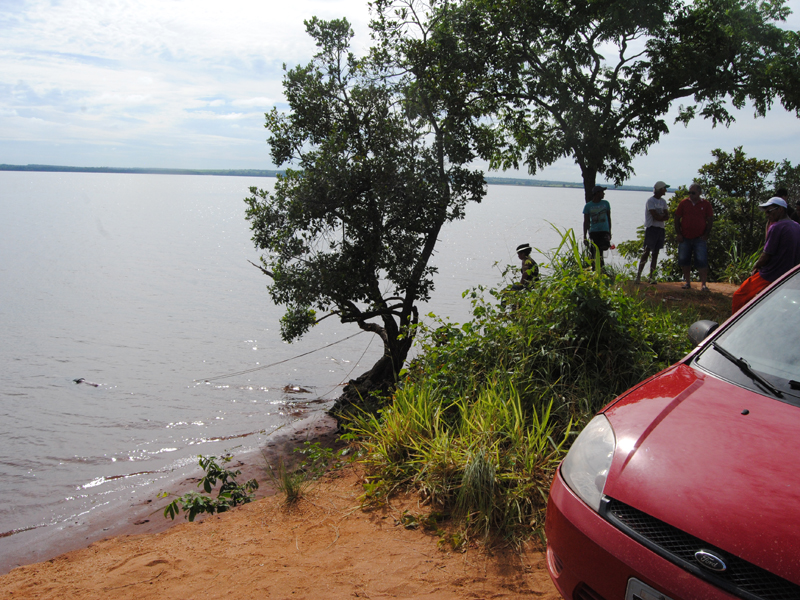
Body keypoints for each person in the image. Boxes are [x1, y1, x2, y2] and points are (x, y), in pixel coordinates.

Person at [732, 197, 800, 313]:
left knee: (739, 295)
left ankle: (735, 324)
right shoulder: (797, 227)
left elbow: (766, 254)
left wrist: (756, 266)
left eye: (769, 211)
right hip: (789, 276)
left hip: (771, 274)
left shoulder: (776, 227)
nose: (767, 214)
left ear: (780, 210)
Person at [674, 183, 713, 291]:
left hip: (699, 238)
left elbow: (710, 220)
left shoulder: (706, 204)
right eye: (689, 192)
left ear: (699, 193)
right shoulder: (684, 203)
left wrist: (706, 235)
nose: (691, 195)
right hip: (685, 237)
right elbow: (677, 218)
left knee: (702, 260)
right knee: (684, 260)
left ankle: (703, 284)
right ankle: (687, 282)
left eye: (693, 192)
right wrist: (679, 234)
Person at [634, 181, 670, 284]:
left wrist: (661, 217)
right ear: (659, 189)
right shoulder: (650, 201)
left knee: (656, 253)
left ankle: (651, 277)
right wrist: (662, 216)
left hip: (660, 229)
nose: (666, 190)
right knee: (647, 251)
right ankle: (638, 276)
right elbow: (655, 216)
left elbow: (666, 216)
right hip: (651, 228)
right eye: (664, 188)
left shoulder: (663, 201)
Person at [583, 185, 611, 270]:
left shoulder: (606, 203)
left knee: (604, 247)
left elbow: (609, 217)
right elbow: (586, 221)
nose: (603, 194)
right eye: (602, 192)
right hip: (594, 231)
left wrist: (609, 231)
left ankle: (600, 268)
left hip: (604, 231)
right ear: (597, 193)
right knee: (594, 251)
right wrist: (585, 236)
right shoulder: (588, 206)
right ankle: (595, 268)